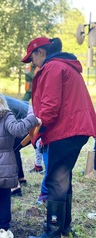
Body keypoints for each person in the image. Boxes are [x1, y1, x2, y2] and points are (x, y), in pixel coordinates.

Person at [22, 36, 96, 238]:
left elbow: (49, 107)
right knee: (63, 179)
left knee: (55, 181)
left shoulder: (53, 68)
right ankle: (64, 227)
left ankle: (53, 231)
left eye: (32, 58)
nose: (32, 64)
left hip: (66, 130)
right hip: (74, 129)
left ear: (41, 52)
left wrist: (35, 133)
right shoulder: (64, 66)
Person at [0, 91, 40, 238]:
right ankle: (4, 230)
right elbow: (17, 130)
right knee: (4, 196)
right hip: (4, 163)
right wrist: (32, 118)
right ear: (2, 103)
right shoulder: (6, 115)